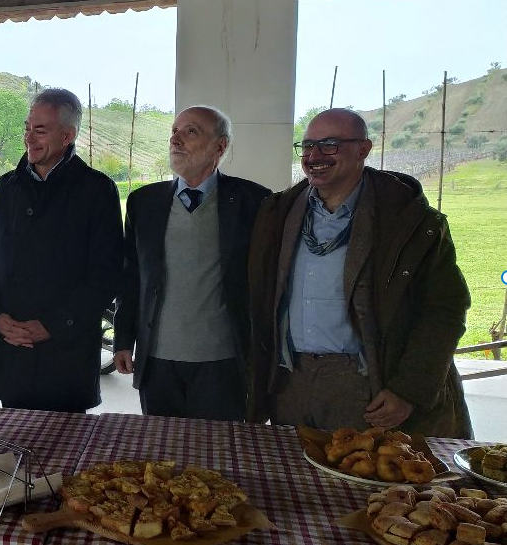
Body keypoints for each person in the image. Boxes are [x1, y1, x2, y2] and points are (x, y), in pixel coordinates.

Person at [247, 108, 471, 438]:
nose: (314, 156)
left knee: (364, 471)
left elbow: (445, 309)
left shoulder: (410, 221)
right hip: (290, 382)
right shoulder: (277, 214)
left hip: (366, 387)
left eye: (329, 145)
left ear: (363, 149)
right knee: (293, 470)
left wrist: (409, 389)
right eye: (307, 146)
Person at [0, 88, 123, 413]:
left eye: (40, 130)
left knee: (69, 444)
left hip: (66, 359)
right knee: (11, 442)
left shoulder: (96, 190)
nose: (29, 138)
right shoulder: (6, 188)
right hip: (11, 352)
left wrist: (53, 324)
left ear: (67, 135)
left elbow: (106, 274)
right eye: (27, 128)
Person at [113, 106, 271, 421]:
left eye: (190, 132)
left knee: (218, 447)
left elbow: (267, 282)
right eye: (174, 131)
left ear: (220, 146)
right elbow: (131, 279)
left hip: (223, 362)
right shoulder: (144, 202)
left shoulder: (254, 202)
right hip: (157, 362)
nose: (176, 139)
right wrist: (123, 340)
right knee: (161, 445)